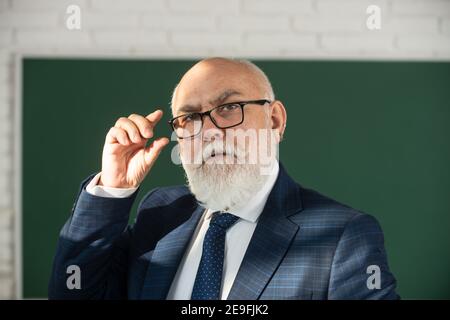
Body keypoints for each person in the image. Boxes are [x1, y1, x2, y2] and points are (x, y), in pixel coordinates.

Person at [48, 57, 398, 300]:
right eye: (189, 118)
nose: (208, 132)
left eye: (228, 108)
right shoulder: (160, 214)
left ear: (274, 120)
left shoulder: (343, 236)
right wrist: (113, 188)